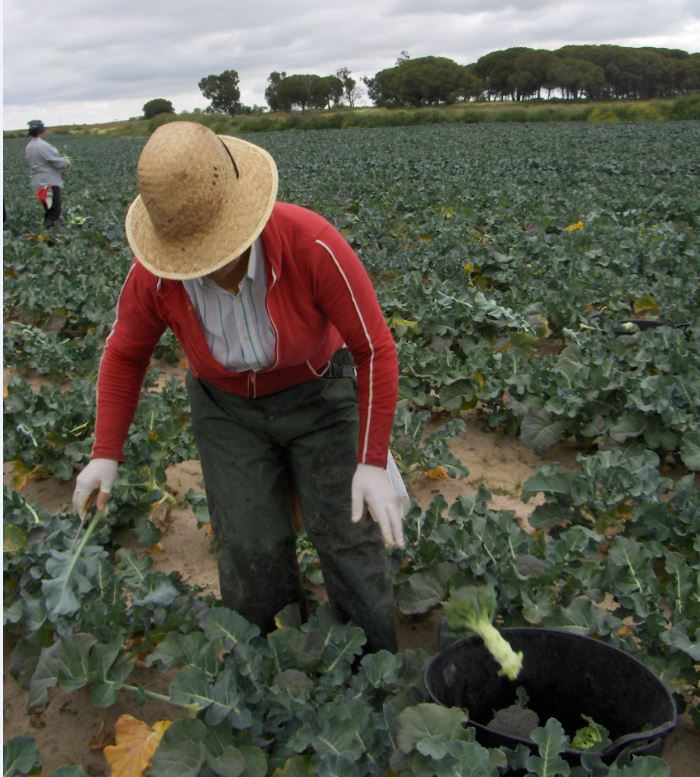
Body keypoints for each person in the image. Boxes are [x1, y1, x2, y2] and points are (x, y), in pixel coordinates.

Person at [72, 121, 405, 653]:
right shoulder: (154, 278)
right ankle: (271, 669)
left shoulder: (311, 244)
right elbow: (124, 353)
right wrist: (105, 452)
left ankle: (373, 664)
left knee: (347, 532)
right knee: (250, 543)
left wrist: (371, 462)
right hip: (227, 410)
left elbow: (375, 349)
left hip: (320, 396)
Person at [25, 120, 71, 229]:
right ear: (42, 131)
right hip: (48, 183)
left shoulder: (29, 146)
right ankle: (48, 234)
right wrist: (66, 161)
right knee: (55, 210)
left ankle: (48, 234)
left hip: (38, 182)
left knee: (49, 209)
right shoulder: (42, 145)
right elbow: (57, 162)